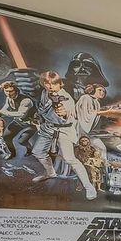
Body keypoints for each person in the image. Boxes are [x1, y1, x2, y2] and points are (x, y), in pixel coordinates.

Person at [30, 71, 96, 199]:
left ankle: (89, 186)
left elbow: (67, 114)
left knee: (69, 158)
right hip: (48, 128)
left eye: (54, 83)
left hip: (64, 130)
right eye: (47, 83)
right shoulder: (45, 93)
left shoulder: (66, 98)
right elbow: (43, 109)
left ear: (60, 84)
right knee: (38, 151)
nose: (50, 86)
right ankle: (50, 173)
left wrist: (63, 112)